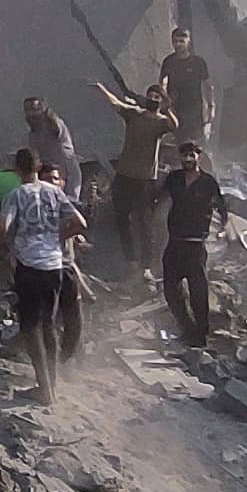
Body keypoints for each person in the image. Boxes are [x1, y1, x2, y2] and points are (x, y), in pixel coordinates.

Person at [0, 149, 85, 405]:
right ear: (38, 166)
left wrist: (4, 250)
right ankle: (52, 385)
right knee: (48, 325)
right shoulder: (55, 192)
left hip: (30, 266)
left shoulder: (15, 195)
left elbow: (2, 227)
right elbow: (80, 223)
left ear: (16, 170)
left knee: (30, 327)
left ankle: (44, 389)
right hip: (54, 265)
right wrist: (57, 239)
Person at [92, 77, 177, 268]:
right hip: (124, 174)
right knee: (121, 216)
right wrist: (102, 89)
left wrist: (167, 107)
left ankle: (146, 265)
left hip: (145, 178)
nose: (152, 99)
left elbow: (174, 125)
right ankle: (130, 259)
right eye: (150, 96)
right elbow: (116, 103)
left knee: (144, 221)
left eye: (157, 97)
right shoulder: (134, 114)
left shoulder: (161, 122)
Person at [152, 138, 225, 346]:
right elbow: (159, 199)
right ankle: (187, 327)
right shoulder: (174, 179)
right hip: (175, 243)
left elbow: (222, 208)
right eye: (184, 155)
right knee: (170, 290)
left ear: (198, 157)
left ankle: (201, 335)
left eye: (192, 155)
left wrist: (222, 230)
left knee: (198, 293)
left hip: (196, 245)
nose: (188, 159)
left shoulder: (208, 182)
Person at [157, 28, 215, 147]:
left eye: (181, 41)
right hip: (175, 109)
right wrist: (166, 104)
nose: (178, 45)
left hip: (194, 110)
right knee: (177, 141)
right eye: (175, 41)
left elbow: (208, 85)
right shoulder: (169, 61)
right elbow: (162, 84)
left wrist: (211, 107)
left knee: (196, 143)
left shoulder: (198, 62)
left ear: (188, 41)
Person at [20, 96, 77, 195]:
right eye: (27, 110)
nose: (30, 114)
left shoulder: (53, 125)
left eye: (34, 110)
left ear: (42, 110)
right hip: (48, 174)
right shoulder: (33, 133)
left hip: (65, 172)